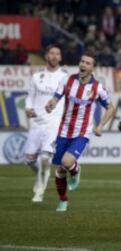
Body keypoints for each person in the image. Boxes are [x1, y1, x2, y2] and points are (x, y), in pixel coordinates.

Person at [45, 51, 115, 212]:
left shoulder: (97, 88)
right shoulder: (67, 80)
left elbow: (110, 108)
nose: (83, 65)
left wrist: (100, 126)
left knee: (67, 162)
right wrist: (51, 104)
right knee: (60, 170)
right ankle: (63, 200)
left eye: (88, 63)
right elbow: (55, 98)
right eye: (82, 61)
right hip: (63, 132)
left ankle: (75, 170)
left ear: (93, 68)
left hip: (82, 133)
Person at [24, 44, 67, 202]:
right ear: (46, 56)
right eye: (52, 53)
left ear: (60, 57)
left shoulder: (65, 78)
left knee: (45, 158)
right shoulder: (37, 77)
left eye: (57, 53)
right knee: (29, 159)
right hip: (36, 123)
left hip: (54, 124)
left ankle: (39, 192)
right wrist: (28, 108)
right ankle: (42, 174)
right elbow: (30, 96)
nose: (54, 56)